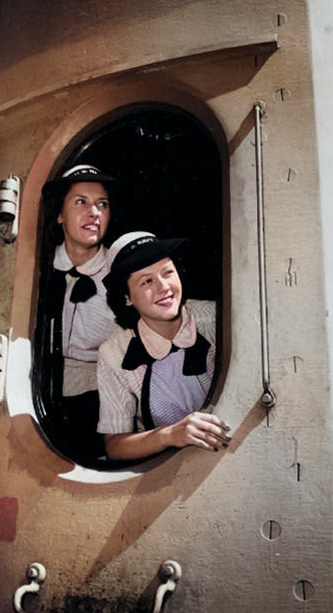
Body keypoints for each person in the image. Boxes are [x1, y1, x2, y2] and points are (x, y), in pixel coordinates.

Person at [97, 231, 230, 461]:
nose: (163, 287)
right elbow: (114, 446)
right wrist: (170, 435)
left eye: (168, 272)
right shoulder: (113, 353)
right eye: (146, 281)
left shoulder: (218, 318)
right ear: (127, 297)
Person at [40, 164, 118, 462]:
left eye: (102, 204)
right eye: (81, 202)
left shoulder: (124, 270)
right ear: (60, 214)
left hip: (101, 398)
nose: (94, 212)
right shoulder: (38, 267)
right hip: (39, 390)